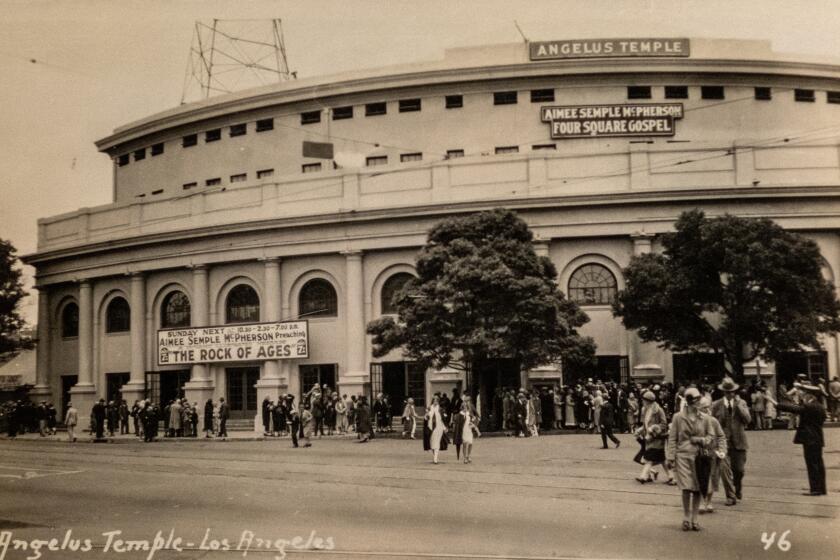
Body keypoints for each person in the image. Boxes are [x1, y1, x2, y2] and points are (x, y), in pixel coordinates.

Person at [666, 388, 721, 531]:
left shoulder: (706, 418)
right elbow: (672, 438)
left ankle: (695, 519)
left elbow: (711, 437)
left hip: (699, 456)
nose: (698, 403)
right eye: (696, 401)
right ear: (690, 402)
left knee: (697, 488)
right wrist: (670, 457)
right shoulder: (678, 417)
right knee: (686, 487)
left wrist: (700, 440)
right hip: (682, 456)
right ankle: (686, 517)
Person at [776, 383, 827, 496]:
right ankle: (822, 488)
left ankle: (815, 489)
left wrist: (778, 404)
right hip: (818, 438)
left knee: (811, 464)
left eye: (804, 393)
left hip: (809, 439)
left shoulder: (809, 406)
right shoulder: (820, 406)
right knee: (818, 463)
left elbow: (795, 409)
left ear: (810, 395)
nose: (802, 395)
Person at [710, 377, 751, 505]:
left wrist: (738, 406)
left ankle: (737, 486)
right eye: (727, 392)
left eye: (732, 392)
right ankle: (730, 495)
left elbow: (748, 420)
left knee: (739, 470)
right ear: (724, 392)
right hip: (723, 443)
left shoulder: (742, 403)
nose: (730, 394)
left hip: (739, 442)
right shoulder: (716, 405)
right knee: (724, 469)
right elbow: (711, 422)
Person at [697, 396, 727, 514]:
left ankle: (708, 501)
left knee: (712, 479)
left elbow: (721, 436)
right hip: (698, 454)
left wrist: (722, 450)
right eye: (704, 408)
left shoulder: (713, 421)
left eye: (708, 407)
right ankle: (700, 502)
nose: (707, 410)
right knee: (700, 479)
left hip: (712, 454)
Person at [636, 391, 674, 484]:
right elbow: (645, 424)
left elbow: (664, 424)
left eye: (644, 400)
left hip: (657, 438)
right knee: (662, 460)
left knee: (649, 458)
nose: (643, 401)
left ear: (648, 401)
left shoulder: (658, 410)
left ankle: (643, 477)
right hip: (649, 438)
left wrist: (654, 429)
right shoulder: (645, 410)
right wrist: (640, 430)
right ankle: (672, 477)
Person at [423, 396, 448, 464]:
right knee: (432, 442)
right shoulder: (429, 409)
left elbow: (442, 420)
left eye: (437, 401)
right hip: (430, 427)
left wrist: (445, 428)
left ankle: (435, 458)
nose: (435, 402)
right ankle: (435, 456)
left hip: (438, 427)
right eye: (434, 400)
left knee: (436, 442)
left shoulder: (440, 409)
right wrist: (426, 416)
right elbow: (426, 418)